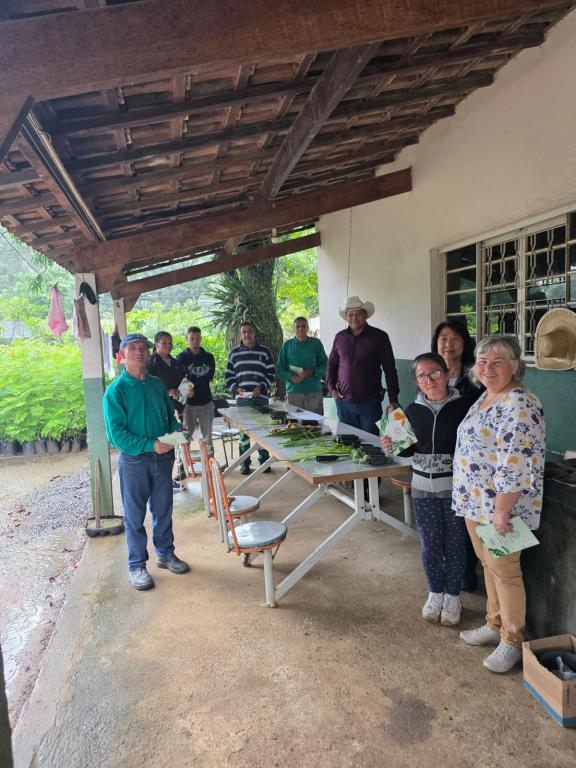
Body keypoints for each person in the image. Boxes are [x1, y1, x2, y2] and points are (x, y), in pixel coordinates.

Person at [452, 334, 545, 673]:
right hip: (474, 503)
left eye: (497, 361)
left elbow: (517, 460)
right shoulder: (487, 397)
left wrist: (502, 510)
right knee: (488, 564)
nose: (488, 367)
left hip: (500, 508)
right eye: (482, 361)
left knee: (506, 571)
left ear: (516, 366)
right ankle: (494, 624)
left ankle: (513, 640)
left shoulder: (520, 403)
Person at [381, 353, 472, 626]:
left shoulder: (466, 407)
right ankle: (435, 592)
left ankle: (453, 596)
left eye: (434, 373)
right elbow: (407, 449)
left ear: (445, 374)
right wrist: (390, 444)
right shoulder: (411, 410)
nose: (429, 380)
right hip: (422, 487)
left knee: (455, 543)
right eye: (422, 376)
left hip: (456, 488)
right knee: (430, 544)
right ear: (417, 382)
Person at [103, 333, 190, 591]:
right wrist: (150, 445)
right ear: (122, 355)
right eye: (133, 348)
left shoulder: (155, 385)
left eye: (143, 348)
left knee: (163, 509)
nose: (139, 352)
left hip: (162, 459)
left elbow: (169, 417)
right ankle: (137, 565)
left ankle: (165, 553)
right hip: (134, 461)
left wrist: (178, 430)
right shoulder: (115, 391)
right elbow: (117, 435)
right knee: (134, 515)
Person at [431, 318, 482, 591]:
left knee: (465, 515)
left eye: (454, 339)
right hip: (438, 454)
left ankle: (467, 569)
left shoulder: (474, 376)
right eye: (442, 339)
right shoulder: (430, 372)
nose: (448, 345)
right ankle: (446, 564)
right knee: (442, 513)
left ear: (464, 343)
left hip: (467, 456)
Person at [326, 296, 399, 435]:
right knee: (347, 444)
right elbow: (332, 364)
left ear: (365, 315)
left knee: (370, 445)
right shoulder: (339, 337)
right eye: (350, 314)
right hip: (343, 403)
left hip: (370, 403)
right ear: (346, 317)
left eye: (358, 314)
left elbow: (390, 369)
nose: (354, 318)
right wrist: (331, 388)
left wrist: (393, 399)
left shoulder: (380, 336)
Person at [225, 321, 275, 475]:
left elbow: (271, 374)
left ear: (254, 333)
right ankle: (244, 463)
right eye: (244, 332)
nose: (247, 334)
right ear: (241, 334)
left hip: (261, 398)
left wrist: (261, 387)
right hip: (242, 399)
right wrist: (236, 389)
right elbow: (228, 377)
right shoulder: (234, 353)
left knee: (263, 431)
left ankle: (264, 462)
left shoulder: (265, 352)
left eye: (250, 331)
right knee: (244, 433)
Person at [147, 331, 189, 488]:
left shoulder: (176, 362)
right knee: (160, 446)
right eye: (164, 343)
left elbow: (183, 382)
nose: (168, 346)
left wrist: (187, 390)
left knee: (173, 445)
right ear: (156, 344)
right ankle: (159, 480)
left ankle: (168, 479)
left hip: (176, 410)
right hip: (157, 411)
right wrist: (166, 392)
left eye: (170, 343)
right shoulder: (150, 363)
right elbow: (147, 388)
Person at [277, 316, 327, 415]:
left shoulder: (316, 343)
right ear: (293, 329)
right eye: (298, 326)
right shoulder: (287, 345)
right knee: (294, 426)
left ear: (307, 328)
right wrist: (291, 377)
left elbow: (324, 364)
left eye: (303, 326)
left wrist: (312, 372)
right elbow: (280, 369)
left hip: (313, 392)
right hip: (294, 393)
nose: (300, 329)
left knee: (316, 426)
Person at [176, 326, 216, 451]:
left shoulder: (209, 357)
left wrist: (191, 382)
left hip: (206, 401)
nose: (195, 341)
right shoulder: (180, 358)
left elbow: (208, 377)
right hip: (188, 404)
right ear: (187, 339)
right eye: (192, 338)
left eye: (197, 338)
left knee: (207, 436)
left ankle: (210, 463)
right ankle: (183, 464)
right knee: (185, 436)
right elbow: (177, 380)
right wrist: (187, 389)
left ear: (201, 339)